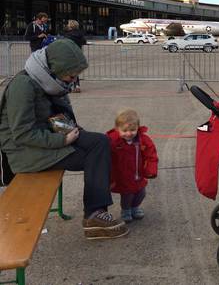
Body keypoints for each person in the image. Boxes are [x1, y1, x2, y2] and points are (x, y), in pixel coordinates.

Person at [0, 39, 128, 239]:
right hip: (25, 153)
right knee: (93, 154)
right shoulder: (22, 86)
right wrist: (63, 141)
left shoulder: (43, 80)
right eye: (71, 75)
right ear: (54, 68)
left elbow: (48, 117)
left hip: (45, 141)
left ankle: (96, 212)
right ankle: (94, 214)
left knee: (100, 142)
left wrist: (70, 130)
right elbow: (23, 134)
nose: (73, 80)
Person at [106, 110, 158, 223]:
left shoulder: (143, 140)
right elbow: (105, 155)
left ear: (138, 128)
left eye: (132, 130)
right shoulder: (113, 141)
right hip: (123, 176)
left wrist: (151, 170)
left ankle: (135, 207)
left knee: (141, 193)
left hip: (138, 174)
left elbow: (151, 155)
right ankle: (126, 210)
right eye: (124, 130)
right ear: (117, 129)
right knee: (127, 195)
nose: (129, 133)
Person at [63, 20, 87, 93]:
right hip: (77, 53)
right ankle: (77, 86)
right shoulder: (80, 33)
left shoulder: (67, 34)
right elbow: (84, 41)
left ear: (70, 26)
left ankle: (69, 86)